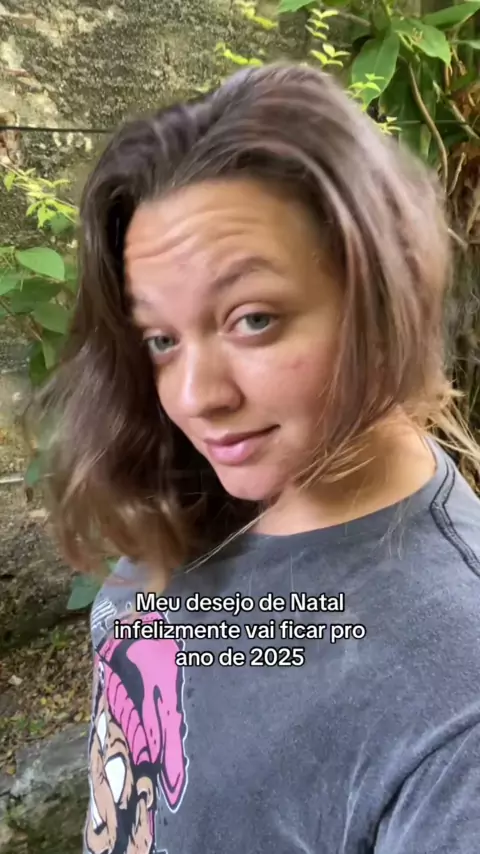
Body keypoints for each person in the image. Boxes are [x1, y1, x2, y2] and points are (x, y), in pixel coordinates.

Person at [31, 64, 480, 854]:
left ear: (386, 293)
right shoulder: (197, 480)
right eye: (160, 338)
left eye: (253, 319)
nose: (195, 397)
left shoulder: (456, 693)